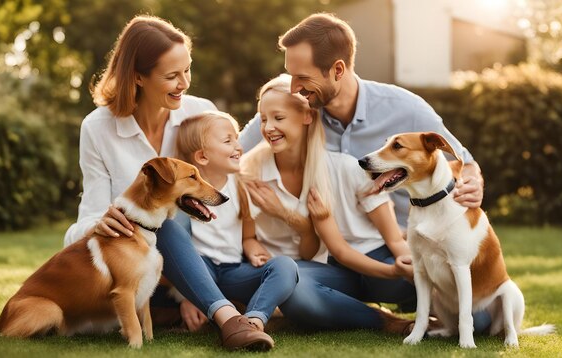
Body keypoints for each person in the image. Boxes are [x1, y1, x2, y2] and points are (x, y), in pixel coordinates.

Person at [63, 15, 274, 350]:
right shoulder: (98, 128)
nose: (185, 82)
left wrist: (191, 286)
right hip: (135, 268)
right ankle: (228, 319)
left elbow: (213, 191)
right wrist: (99, 224)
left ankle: (202, 306)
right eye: (172, 75)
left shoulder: (198, 114)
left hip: (196, 264)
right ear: (138, 77)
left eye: (187, 70)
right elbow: (87, 218)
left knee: (172, 219)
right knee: (161, 222)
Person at [239, 13, 484, 230]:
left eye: (302, 77)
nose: (294, 87)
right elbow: (233, 152)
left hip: (404, 244)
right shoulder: (294, 110)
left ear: (337, 70)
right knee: (295, 281)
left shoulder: (408, 109)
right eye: (291, 76)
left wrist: (472, 184)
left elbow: (465, 163)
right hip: (333, 251)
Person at [241, 74, 416, 331]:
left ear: (307, 117)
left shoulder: (346, 167)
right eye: (264, 119)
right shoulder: (251, 174)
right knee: (292, 290)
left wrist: (409, 267)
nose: (268, 128)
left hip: (379, 261)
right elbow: (312, 253)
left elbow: (394, 239)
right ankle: (383, 321)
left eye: (278, 118)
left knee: (473, 315)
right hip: (328, 270)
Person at [159, 110, 298, 334]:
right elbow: (175, 256)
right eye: (228, 140)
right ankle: (217, 309)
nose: (239, 146)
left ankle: (254, 320)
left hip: (233, 272)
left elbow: (248, 236)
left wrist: (254, 250)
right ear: (202, 156)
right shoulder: (182, 197)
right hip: (201, 269)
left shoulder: (241, 186)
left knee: (285, 266)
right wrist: (187, 294)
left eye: (236, 138)